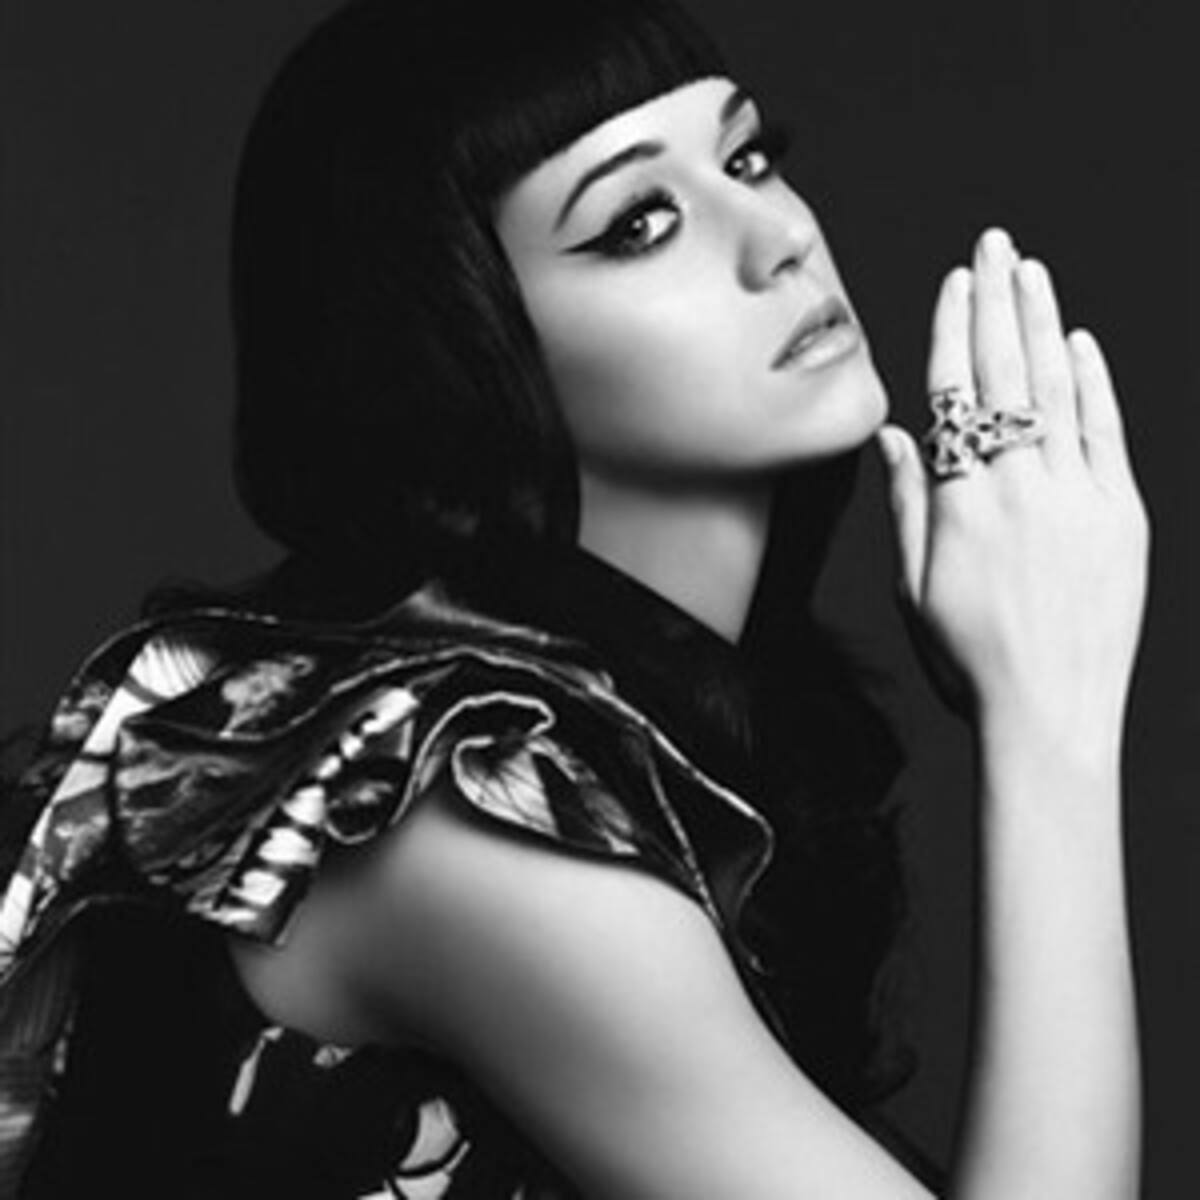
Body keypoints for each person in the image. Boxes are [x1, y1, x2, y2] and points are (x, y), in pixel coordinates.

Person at [0, 0, 1148, 1195]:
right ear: (461, 345)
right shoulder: (458, 810)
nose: (779, 239)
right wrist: (1049, 714)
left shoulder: (639, 733)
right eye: (640, 222)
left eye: (746, 158)